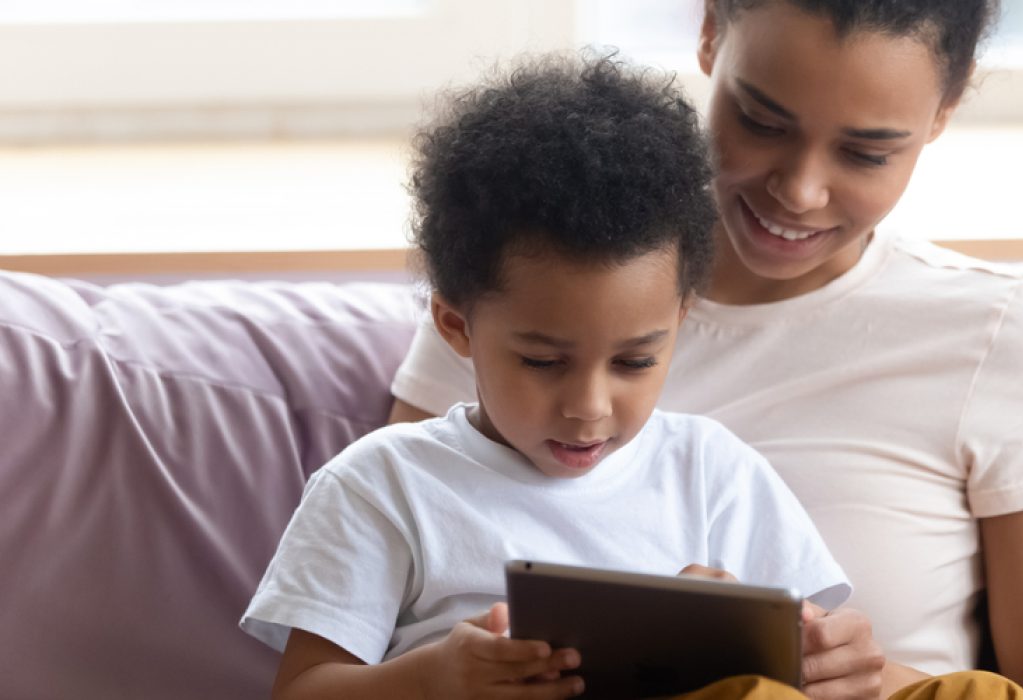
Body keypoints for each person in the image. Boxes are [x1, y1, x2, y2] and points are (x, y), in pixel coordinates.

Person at [389, 1, 1023, 699]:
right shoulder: (522, 300)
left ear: (942, 113)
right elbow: (392, 602)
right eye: (760, 121)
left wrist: (872, 678)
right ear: (710, 31)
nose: (800, 192)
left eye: (867, 153)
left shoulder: (1000, 332)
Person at [240, 54, 855, 699]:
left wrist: (833, 658)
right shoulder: (382, 485)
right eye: (542, 362)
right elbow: (301, 692)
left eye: (634, 362)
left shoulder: (715, 473)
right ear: (456, 327)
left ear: (680, 318)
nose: (589, 408)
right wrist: (433, 679)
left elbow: (814, 651)